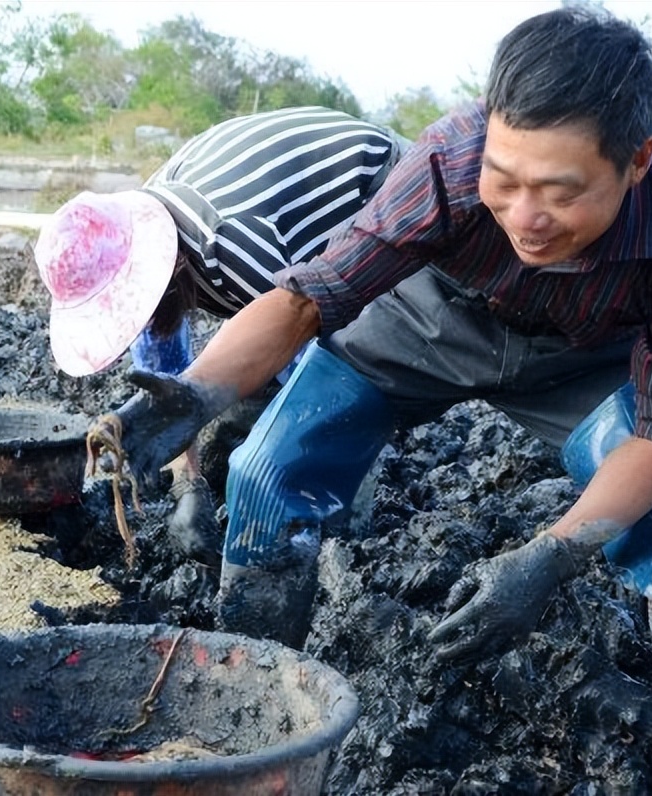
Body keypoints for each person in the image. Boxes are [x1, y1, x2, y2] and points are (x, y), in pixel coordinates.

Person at [87, 7, 652, 789]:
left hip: (591, 355)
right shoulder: (449, 157)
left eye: (559, 192)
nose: (526, 218)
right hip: (429, 316)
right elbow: (310, 298)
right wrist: (199, 393)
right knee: (269, 470)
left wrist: (548, 557)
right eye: (504, 181)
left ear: (637, 160)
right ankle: (251, 720)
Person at [34, 106, 407, 562]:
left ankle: (345, 534)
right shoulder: (144, 231)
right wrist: (187, 486)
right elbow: (170, 388)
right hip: (286, 240)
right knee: (238, 411)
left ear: (165, 270)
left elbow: (310, 360)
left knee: (325, 405)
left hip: (389, 193)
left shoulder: (230, 243)